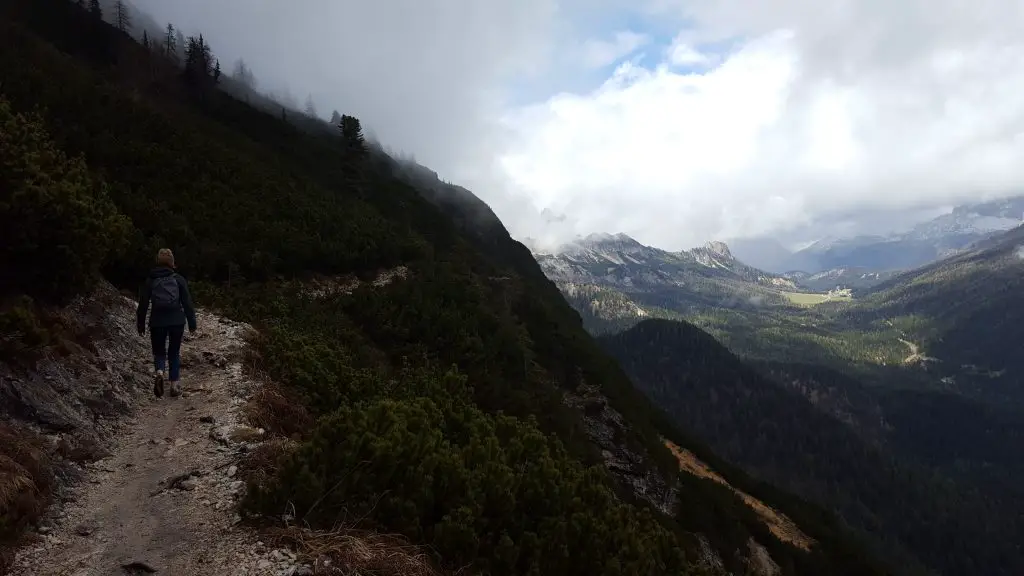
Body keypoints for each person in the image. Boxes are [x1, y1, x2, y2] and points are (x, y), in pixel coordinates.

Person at [137, 248, 197, 398]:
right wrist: (192, 323)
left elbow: (143, 304)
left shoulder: (151, 280)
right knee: (174, 352)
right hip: (177, 321)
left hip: (157, 321)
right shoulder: (178, 279)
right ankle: (174, 385)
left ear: (158, 261)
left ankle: (159, 372)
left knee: (159, 352)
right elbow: (187, 303)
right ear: (172, 263)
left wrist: (141, 323)